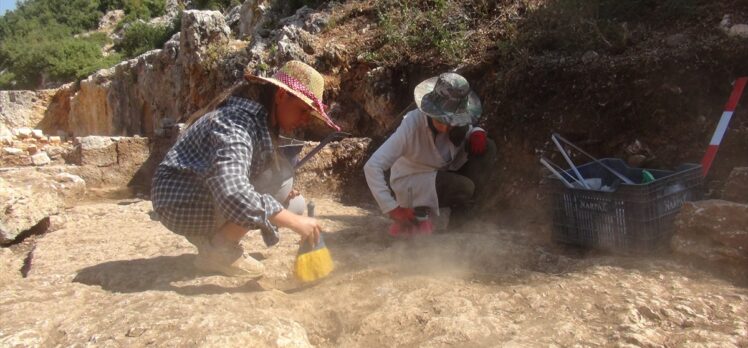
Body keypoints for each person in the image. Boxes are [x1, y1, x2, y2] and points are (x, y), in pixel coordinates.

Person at [151, 60, 342, 277]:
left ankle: (213, 242)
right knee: (281, 186)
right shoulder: (236, 124)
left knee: (292, 200)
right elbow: (233, 191)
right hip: (179, 202)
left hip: (196, 193)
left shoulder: (258, 122)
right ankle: (220, 250)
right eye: (303, 110)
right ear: (281, 96)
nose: (305, 120)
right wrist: (296, 222)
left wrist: (281, 202)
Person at [364, 72, 497, 236]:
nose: (448, 128)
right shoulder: (410, 126)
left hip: (442, 171)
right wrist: (392, 209)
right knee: (464, 187)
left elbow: (469, 130)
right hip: (413, 180)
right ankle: (452, 227)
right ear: (430, 112)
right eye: (443, 121)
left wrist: (477, 131)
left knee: (488, 147)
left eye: (453, 122)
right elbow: (372, 166)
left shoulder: (458, 124)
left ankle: (465, 218)